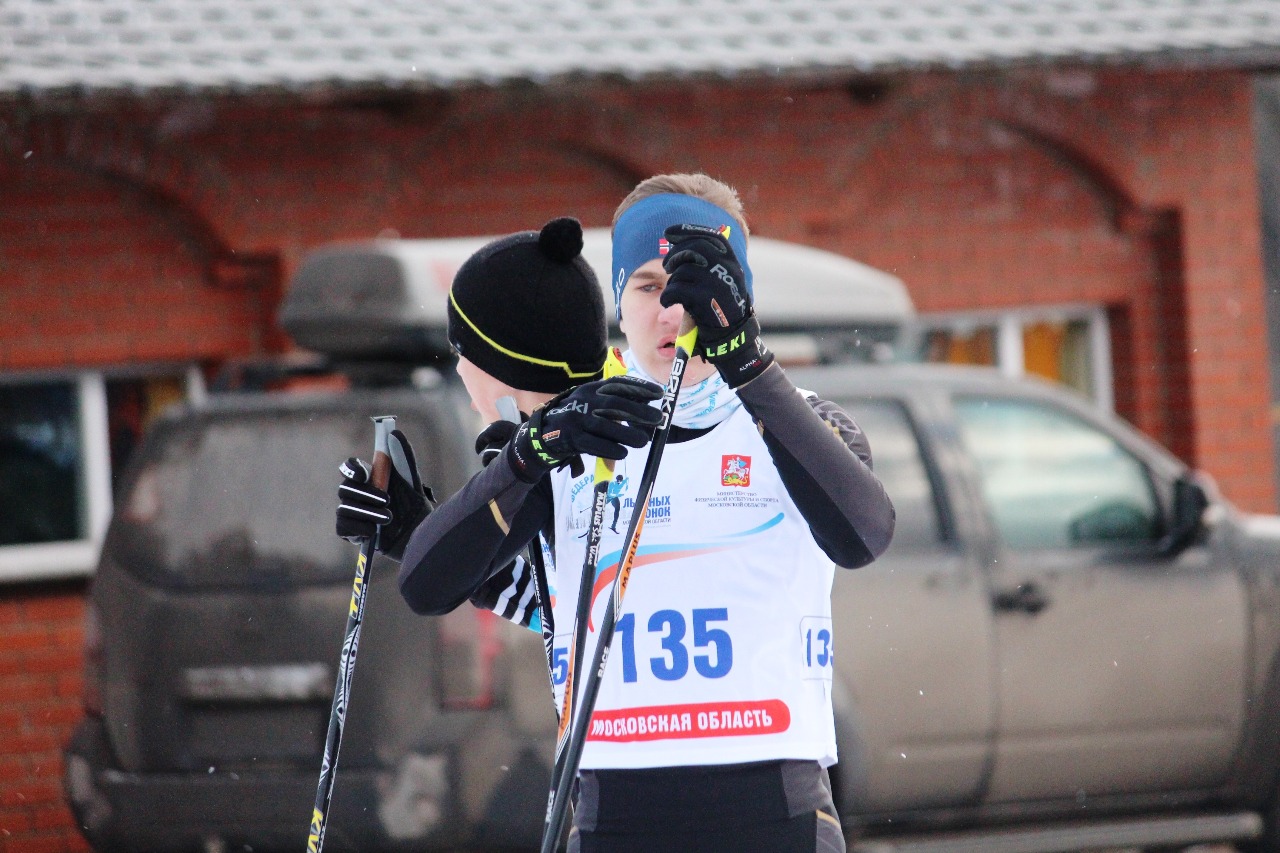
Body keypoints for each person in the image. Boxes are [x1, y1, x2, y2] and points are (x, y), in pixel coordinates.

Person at [350, 175, 895, 852]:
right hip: (616, 816)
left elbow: (864, 534)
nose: (672, 308)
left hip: (770, 812)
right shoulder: (581, 430)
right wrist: (513, 466)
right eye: (645, 285)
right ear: (618, 300)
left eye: (696, 283)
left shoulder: (802, 420)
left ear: (737, 295)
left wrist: (747, 363)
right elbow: (435, 585)